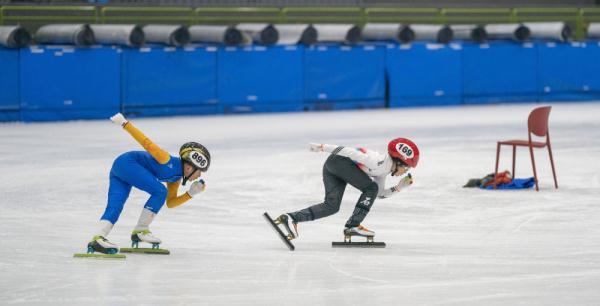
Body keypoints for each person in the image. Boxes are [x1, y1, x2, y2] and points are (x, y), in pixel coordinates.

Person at [87, 113, 211, 254]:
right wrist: (124, 123)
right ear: (189, 167)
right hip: (128, 163)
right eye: (199, 171)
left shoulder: (175, 179)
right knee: (160, 190)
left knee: (115, 206)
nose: (199, 175)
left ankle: (98, 237)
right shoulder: (166, 159)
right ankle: (141, 230)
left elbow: (170, 203)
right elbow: (146, 142)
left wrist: (190, 194)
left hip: (120, 168)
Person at [275, 138, 419, 241]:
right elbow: (348, 151)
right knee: (371, 187)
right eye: (406, 167)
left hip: (332, 166)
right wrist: (322, 147)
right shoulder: (378, 162)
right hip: (339, 161)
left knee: (332, 206)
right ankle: (353, 226)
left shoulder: (384, 170)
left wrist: (399, 187)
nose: (406, 171)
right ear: (398, 161)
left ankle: (291, 217)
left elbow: (379, 194)